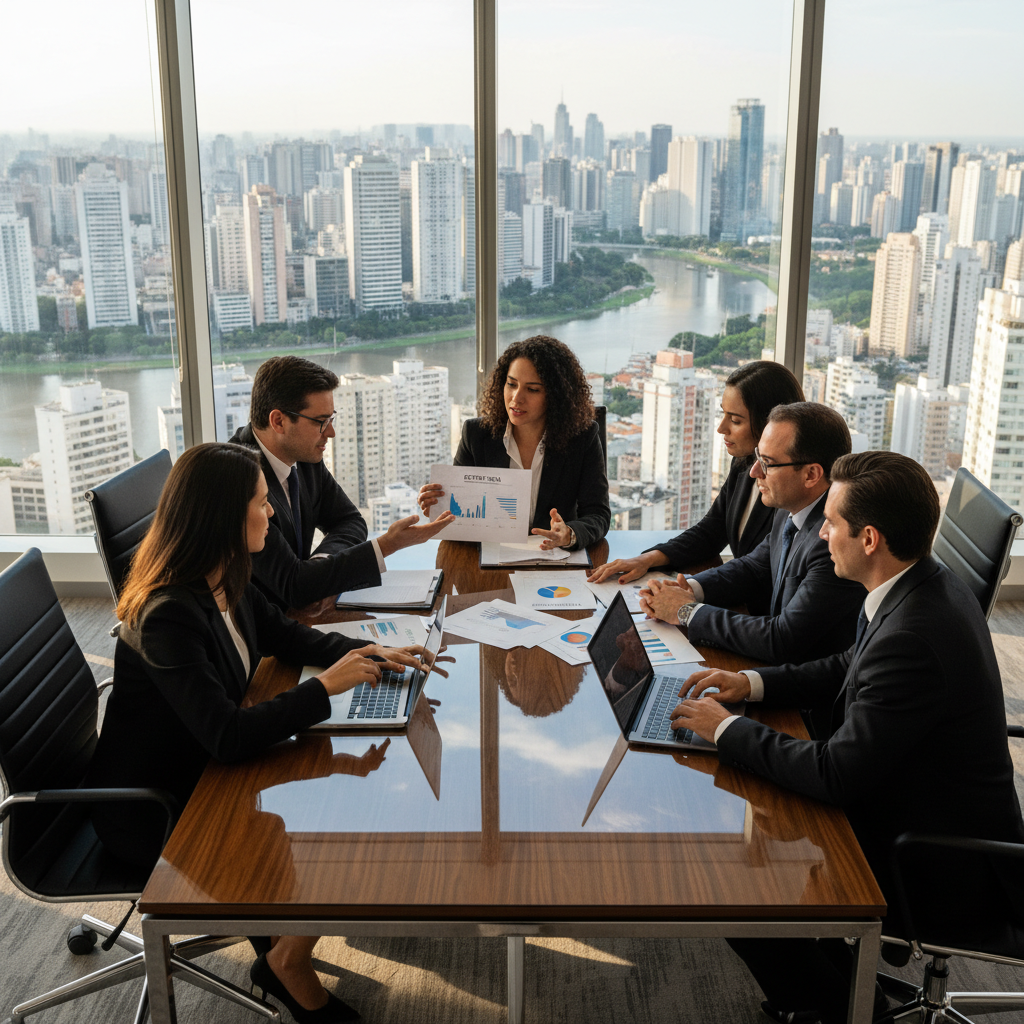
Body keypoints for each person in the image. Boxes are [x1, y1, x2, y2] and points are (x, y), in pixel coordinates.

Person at [670, 451, 1024, 1024]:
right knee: (752, 832)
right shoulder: (914, 583)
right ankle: (826, 989)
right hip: (914, 803)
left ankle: (843, 1010)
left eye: (831, 523)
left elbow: (836, 775)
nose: (821, 534)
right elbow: (847, 665)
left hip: (936, 860)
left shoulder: (913, 634)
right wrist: (749, 685)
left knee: (740, 891)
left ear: (869, 539)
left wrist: (727, 730)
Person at [86, 442, 427, 1024]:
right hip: (162, 805)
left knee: (346, 799)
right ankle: (286, 961)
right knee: (337, 825)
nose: (272, 515)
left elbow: (288, 637)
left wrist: (368, 653)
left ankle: (281, 945)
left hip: (205, 768)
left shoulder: (225, 571)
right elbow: (227, 736)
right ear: (223, 516)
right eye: (261, 504)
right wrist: (325, 690)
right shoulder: (168, 612)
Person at [638, 402, 864, 665]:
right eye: (758, 457)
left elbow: (783, 639)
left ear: (811, 474)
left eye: (767, 463)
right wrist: (687, 589)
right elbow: (755, 567)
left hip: (803, 693)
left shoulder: (834, 539)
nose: (754, 471)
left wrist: (686, 611)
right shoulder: (790, 506)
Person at [230, 355, 453, 610]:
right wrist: (388, 544)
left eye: (331, 419)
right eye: (320, 422)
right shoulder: (239, 480)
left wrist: (320, 567)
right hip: (261, 636)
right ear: (278, 421)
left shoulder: (303, 455)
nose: (331, 432)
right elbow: (294, 585)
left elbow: (350, 521)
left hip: (302, 618)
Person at [588, 360, 804, 584]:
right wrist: (649, 559)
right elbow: (712, 530)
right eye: (723, 414)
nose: (721, 428)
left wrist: (689, 594)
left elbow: (759, 570)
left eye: (735, 420)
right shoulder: (744, 462)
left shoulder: (789, 487)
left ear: (770, 424)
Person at [417, 335, 610, 551]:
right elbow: (461, 511)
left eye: (533, 389)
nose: (516, 398)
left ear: (557, 396)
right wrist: (438, 507)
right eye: (511, 384)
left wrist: (569, 534)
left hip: (552, 558)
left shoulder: (582, 437)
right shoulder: (476, 434)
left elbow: (598, 514)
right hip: (492, 556)